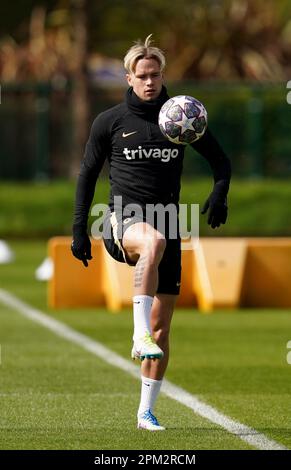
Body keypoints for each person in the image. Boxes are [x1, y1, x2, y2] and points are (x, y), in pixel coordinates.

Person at [71, 35, 231, 431]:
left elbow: (221, 161)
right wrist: (78, 228)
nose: (150, 82)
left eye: (155, 74)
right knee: (152, 244)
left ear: (162, 76)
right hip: (121, 218)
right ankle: (136, 330)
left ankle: (146, 412)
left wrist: (220, 192)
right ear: (128, 77)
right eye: (142, 75)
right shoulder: (110, 121)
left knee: (162, 329)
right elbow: (87, 175)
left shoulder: (180, 116)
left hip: (169, 219)